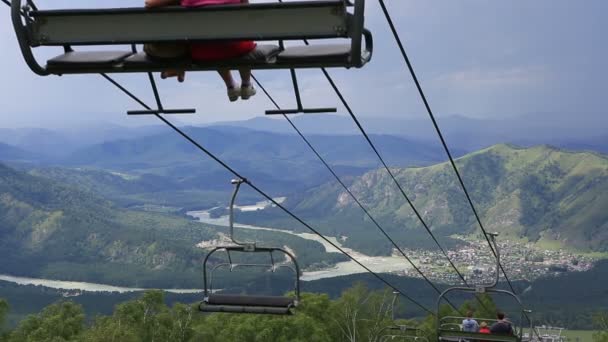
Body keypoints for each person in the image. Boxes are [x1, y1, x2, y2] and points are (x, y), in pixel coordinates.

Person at [144, 0, 257, 102]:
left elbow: (149, 4)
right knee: (239, 42)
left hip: (202, 51)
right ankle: (246, 84)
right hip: (237, 46)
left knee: (213, 44)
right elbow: (246, 14)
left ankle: (230, 86)